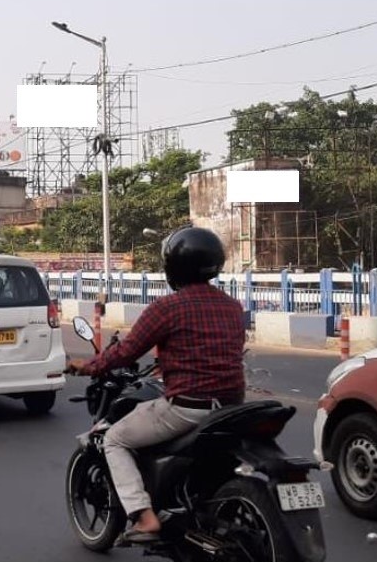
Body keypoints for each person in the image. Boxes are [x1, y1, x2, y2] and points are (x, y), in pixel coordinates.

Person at [66, 227, 246, 543]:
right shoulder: (232, 307)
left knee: (115, 440)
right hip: (232, 408)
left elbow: (126, 351)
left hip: (189, 409)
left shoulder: (168, 308)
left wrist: (88, 366)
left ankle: (144, 516)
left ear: (173, 267)